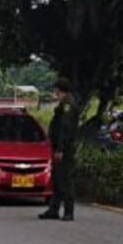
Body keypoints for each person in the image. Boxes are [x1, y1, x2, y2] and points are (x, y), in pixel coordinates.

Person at [39, 78, 78, 222]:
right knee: (56, 179)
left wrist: (61, 148)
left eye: (55, 89)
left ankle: (69, 211)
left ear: (59, 90)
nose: (54, 92)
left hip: (65, 149)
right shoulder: (63, 104)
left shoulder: (68, 106)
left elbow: (65, 129)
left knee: (65, 179)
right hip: (58, 147)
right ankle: (53, 209)